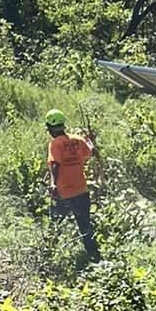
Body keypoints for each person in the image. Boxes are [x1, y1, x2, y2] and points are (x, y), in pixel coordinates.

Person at [45, 108, 100, 259]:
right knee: (85, 225)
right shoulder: (78, 140)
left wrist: (53, 184)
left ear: (49, 128)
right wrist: (89, 140)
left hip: (63, 192)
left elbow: (55, 164)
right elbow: (92, 152)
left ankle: (48, 254)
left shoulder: (55, 144)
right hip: (81, 190)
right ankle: (94, 256)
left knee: (55, 224)